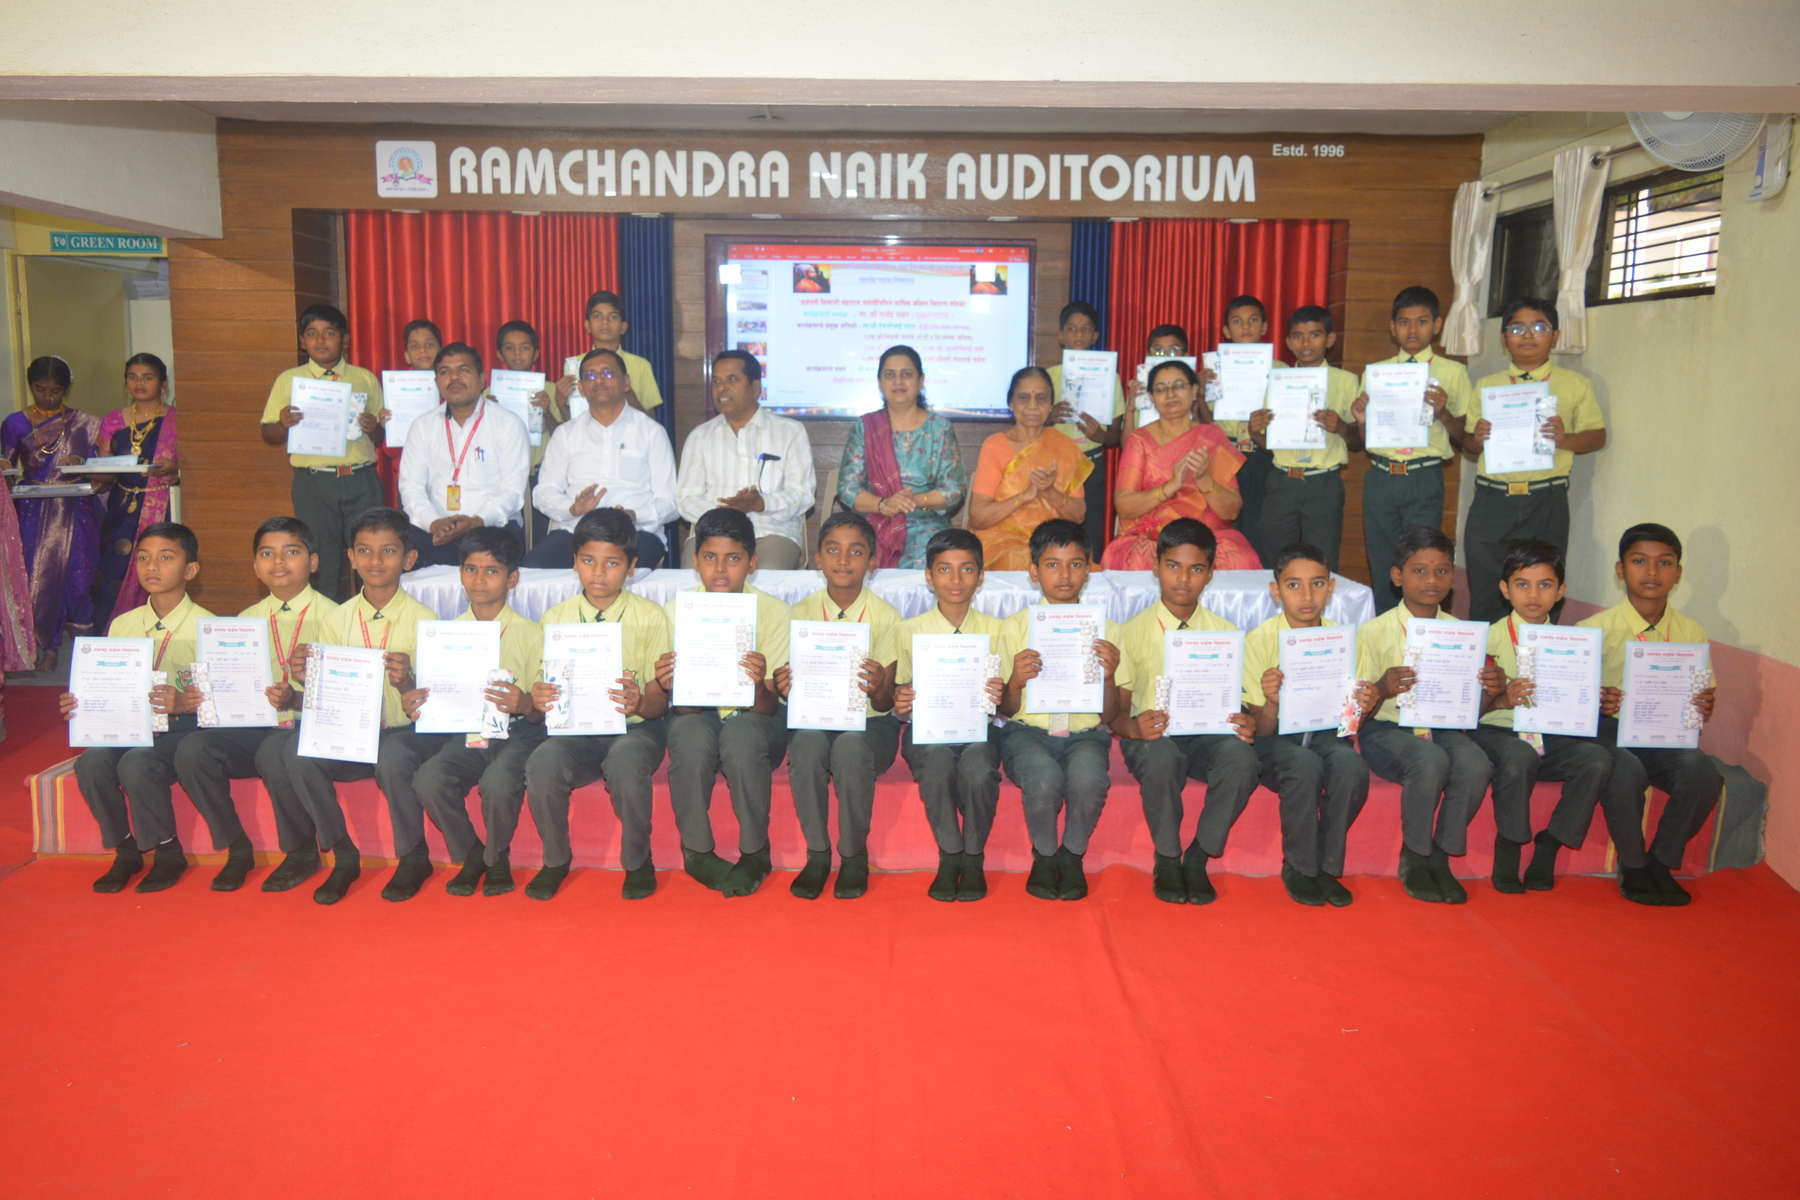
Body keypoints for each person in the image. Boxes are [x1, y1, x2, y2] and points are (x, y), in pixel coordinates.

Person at [278, 506, 436, 905]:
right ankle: (343, 853)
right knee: (297, 752)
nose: (375, 561)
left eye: (388, 551)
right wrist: (306, 678)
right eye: (364, 550)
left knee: (395, 758)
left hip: (402, 733)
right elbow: (326, 695)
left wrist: (407, 681)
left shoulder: (426, 619)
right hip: (350, 735)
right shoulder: (337, 620)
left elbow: (431, 704)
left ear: (409, 559)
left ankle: (414, 857)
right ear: (350, 557)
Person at [171, 517, 337, 893]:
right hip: (258, 727)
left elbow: (347, 696)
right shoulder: (243, 621)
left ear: (313, 562)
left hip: (310, 728)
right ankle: (237, 846)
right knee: (193, 749)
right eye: (266, 554)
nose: (278, 561)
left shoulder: (336, 618)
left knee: (274, 750)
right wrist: (204, 696)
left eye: (291, 552)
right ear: (255, 567)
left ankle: (301, 852)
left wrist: (300, 693)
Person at [524, 508, 673, 900]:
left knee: (626, 761)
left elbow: (660, 702)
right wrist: (540, 699)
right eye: (588, 561)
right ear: (574, 561)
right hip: (576, 732)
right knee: (543, 763)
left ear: (632, 567)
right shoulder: (556, 618)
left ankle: (638, 861)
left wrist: (640, 702)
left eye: (612, 563)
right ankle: (555, 860)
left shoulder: (650, 617)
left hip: (636, 729)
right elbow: (541, 700)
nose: (599, 573)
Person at [1113, 519, 1260, 905]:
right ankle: (1167, 857)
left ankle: (1199, 855)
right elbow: (1117, 714)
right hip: (1152, 737)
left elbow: (1242, 701)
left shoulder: (1225, 633)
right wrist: (1134, 728)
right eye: (1173, 566)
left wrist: (1246, 720)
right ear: (1156, 567)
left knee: (1242, 759)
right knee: (1161, 758)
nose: (1183, 578)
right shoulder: (1131, 631)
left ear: (1210, 574)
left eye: (1196, 569)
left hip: (1206, 736)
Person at [62, 522, 214, 894]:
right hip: (132, 726)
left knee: (137, 763)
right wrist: (83, 704)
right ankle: (126, 850)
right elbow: (107, 684)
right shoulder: (123, 624)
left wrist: (185, 703)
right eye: (143, 558)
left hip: (184, 730)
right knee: (91, 763)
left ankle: (168, 851)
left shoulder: (207, 626)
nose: (152, 567)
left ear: (190, 570)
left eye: (166, 558)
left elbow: (216, 706)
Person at [1578, 524, 1723, 907]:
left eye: (1665, 563)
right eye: (1640, 561)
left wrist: (1702, 704)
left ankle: (1660, 861)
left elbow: (1702, 691)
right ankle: (1633, 863)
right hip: (1608, 732)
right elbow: (1571, 699)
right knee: (1626, 770)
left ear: (1678, 573)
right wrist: (1596, 700)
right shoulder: (1593, 629)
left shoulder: (1691, 633)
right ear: (1620, 570)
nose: (1652, 572)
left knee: (1703, 774)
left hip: (1664, 735)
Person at [400, 526, 546, 898]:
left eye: (492, 571)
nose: (479, 580)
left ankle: (497, 858)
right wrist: (417, 701)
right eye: (470, 569)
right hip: (467, 733)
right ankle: (473, 854)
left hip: (519, 733)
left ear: (512, 578)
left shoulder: (533, 634)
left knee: (497, 783)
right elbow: (432, 701)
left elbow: (543, 713)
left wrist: (525, 703)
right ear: (460, 573)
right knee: (429, 779)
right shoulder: (444, 636)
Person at [654, 507, 791, 897]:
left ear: (752, 563)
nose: (720, 569)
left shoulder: (775, 612)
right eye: (710, 557)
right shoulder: (678, 611)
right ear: (695, 561)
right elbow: (682, 709)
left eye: (733, 558)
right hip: (698, 713)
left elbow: (769, 707)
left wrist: (757, 684)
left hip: (756, 718)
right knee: (689, 735)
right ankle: (697, 850)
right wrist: (672, 686)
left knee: (742, 736)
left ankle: (755, 851)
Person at [1356, 527, 1494, 904]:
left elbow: (1471, 711)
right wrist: (1382, 688)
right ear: (1397, 576)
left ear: (1452, 576)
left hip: (1442, 727)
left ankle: (1440, 856)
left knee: (1476, 764)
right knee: (1429, 759)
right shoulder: (1372, 632)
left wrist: (1489, 690)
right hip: (1385, 729)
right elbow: (1354, 711)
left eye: (1442, 570)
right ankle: (1415, 857)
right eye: (1419, 570)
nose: (1431, 580)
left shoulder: (1462, 634)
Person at [1471, 540, 1615, 894]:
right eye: (1522, 584)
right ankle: (1509, 846)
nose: (1533, 594)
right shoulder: (1484, 639)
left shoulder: (1574, 643)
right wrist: (1502, 699)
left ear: (1561, 591)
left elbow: (1578, 701)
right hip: (1495, 733)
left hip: (1549, 735)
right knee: (1518, 756)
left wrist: (1591, 699)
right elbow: (1465, 710)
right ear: (1505, 589)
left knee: (1596, 760)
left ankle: (1550, 843)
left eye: (1545, 584)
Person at [997, 519, 1129, 901]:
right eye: (1052, 564)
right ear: (1033, 571)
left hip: (1085, 734)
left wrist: (1108, 677)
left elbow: (1109, 716)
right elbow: (1004, 708)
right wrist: (1015, 682)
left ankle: (1071, 856)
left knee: (1089, 780)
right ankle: (1044, 856)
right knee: (1043, 778)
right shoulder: (1014, 628)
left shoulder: (1108, 631)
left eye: (1075, 564)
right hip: (1027, 733)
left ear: (1088, 570)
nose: (1065, 575)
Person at [774, 513, 901, 900]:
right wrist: (785, 688)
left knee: (849, 748)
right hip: (815, 719)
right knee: (806, 745)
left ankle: (853, 854)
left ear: (872, 562)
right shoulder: (800, 614)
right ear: (818, 559)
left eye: (856, 552)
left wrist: (878, 688)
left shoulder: (887, 618)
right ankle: (817, 853)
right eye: (833, 550)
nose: (843, 560)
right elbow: (789, 686)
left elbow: (887, 701)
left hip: (872, 725)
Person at [1242, 542, 1375, 906]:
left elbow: (1349, 726)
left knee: (1350, 767)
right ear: (1276, 591)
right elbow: (1260, 730)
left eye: (1317, 584)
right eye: (1293, 585)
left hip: (1328, 734)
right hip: (1276, 740)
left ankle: (1327, 866)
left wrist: (1363, 707)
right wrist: (1272, 701)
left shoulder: (1345, 641)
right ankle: (1299, 867)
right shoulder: (1259, 642)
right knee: (1303, 764)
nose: (1306, 595)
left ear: (1330, 588)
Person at [1462, 297, 1607, 624]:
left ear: (1555, 336)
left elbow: (1598, 436)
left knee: (1540, 592)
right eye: (1517, 329)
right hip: (1492, 502)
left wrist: (1565, 439)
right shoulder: (1488, 386)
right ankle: (1490, 657)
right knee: (1487, 590)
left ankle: (1538, 656)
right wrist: (1477, 438)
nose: (1527, 336)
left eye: (1539, 328)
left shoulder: (1575, 384)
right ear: (1504, 338)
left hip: (1546, 501)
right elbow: (1469, 445)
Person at [892, 528, 1005, 902]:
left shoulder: (998, 631)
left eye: (967, 569)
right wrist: (899, 699)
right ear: (929, 576)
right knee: (937, 764)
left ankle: (973, 856)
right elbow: (895, 698)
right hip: (927, 732)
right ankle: (950, 853)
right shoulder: (908, 631)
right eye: (944, 569)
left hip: (980, 731)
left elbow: (1009, 701)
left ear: (981, 576)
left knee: (978, 769)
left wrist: (1003, 694)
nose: (956, 579)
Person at [1352, 287, 1473, 612]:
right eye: (1404, 322)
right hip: (1381, 477)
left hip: (1423, 478)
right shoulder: (1376, 373)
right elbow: (1365, 440)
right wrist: (1362, 421)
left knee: (1422, 562)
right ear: (1393, 327)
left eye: (1422, 321)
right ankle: (1386, 631)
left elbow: (1465, 437)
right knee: (1383, 561)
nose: (1413, 330)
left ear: (1437, 325)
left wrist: (1443, 412)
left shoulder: (1453, 372)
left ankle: (1420, 630)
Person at [258, 304, 386, 600]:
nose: (321, 340)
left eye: (329, 333)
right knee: (321, 565)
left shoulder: (364, 378)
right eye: (312, 334)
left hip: (361, 480)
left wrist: (372, 427)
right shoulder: (289, 380)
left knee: (371, 562)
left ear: (345, 339)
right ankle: (326, 627)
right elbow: (268, 433)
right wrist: (283, 423)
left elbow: (381, 436)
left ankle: (371, 624)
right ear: (302, 341)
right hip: (314, 483)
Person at [528, 348, 678, 569]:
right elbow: (543, 492)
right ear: (581, 387)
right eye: (590, 375)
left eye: (608, 373)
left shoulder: (652, 432)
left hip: (636, 532)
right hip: (576, 530)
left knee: (618, 574)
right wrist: (572, 508)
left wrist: (634, 515)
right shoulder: (566, 433)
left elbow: (670, 501)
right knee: (532, 569)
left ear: (626, 382)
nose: (599, 380)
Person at [1103, 360, 1256, 571]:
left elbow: (1231, 511)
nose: (1170, 394)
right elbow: (1124, 506)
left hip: (1205, 534)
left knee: (1239, 559)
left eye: (1178, 386)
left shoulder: (1212, 438)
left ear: (1194, 391)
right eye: (1161, 389)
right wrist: (1171, 486)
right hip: (1154, 536)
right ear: (1151, 397)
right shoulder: (1139, 440)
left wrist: (1203, 479)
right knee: (1139, 559)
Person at [3, 355, 102, 672]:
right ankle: (47, 646)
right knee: (37, 579)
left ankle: (88, 650)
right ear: (30, 386)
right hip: (32, 509)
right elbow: (6, 462)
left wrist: (81, 462)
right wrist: (5, 467)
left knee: (79, 577)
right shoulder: (15, 423)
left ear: (66, 389)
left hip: (75, 508)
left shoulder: (84, 422)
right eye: (40, 389)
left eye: (55, 390)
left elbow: (102, 467)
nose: (47, 397)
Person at [676, 350, 815, 570]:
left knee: (767, 581)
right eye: (716, 381)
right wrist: (723, 516)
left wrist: (762, 503)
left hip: (771, 533)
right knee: (694, 579)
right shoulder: (700, 436)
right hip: (713, 534)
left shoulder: (790, 432)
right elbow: (686, 498)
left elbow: (803, 494)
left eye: (732, 379)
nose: (721, 388)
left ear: (756, 388)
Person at [1244, 307, 1359, 573]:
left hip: (1323, 483)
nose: (1306, 343)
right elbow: (1271, 446)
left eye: (1315, 335)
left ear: (1330, 339)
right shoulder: (1276, 381)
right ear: (1288, 342)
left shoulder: (1346, 381)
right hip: (1282, 482)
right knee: (1274, 561)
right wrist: (1255, 432)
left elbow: (1358, 442)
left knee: (1322, 561)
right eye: (1298, 336)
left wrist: (1341, 427)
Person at [396, 342, 530, 568]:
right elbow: (410, 486)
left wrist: (476, 521)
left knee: (486, 567)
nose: (454, 378)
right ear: (436, 382)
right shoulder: (422, 426)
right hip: (436, 530)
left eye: (463, 370)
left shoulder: (508, 424)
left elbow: (512, 491)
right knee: (404, 558)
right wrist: (433, 522)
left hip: (492, 528)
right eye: (445, 372)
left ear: (482, 379)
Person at [837, 345, 967, 569]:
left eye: (906, 374)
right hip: (875, 519)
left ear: (920, 380)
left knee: (926, 561)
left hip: (927, 522)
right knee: (854, 558)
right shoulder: (866, 427)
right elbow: (847, 488)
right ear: (879, 382)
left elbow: (954, 489)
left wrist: (914, 500)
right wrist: (883, 504)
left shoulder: (940, 428)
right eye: (890, 375)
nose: (898, 381)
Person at [968, 366, 1090, 570]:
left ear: (1050, 406)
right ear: (1011, 403)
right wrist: (1024, 496)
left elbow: (1078, 516)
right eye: (1024, 398)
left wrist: (1049, 491)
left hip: (1053, 540)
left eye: (1041, 398)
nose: (1032, 405)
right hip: (1002, 541)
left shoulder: (1065, 447)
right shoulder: (994, 446)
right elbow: (978, 517)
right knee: (1020, 557)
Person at [92, 354, 180, 626]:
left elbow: (196, 466)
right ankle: (113, 633)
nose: (139, 383)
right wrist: (80, 469)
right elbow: (104, 469)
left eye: (148, 377)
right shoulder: (112, 420)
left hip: (163, 507)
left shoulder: (177, 420)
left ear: (163, 384)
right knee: (113, 571)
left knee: (161, 569)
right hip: (121, 508)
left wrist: (176, 468)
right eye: (132, 377)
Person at [1044, 302, 1124, 555]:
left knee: (1089, 536)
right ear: (1061, 336)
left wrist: (1102, 435)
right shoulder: (1048, 377)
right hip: (1055, 466)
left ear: (1095, 336)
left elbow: (1117, 436)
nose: (1079, 334)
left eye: (1086, 329)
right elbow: (1031, 423)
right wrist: (1049, 417)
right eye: (1072, 328)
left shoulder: (1111, 377)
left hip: (1092, 464)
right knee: (1052, 535)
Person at [1211, 295, 1276, 566]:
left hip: (1263, 455)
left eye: (1253, 320)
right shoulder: (1213, 370)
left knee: (1260, 528)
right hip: (1225, 453)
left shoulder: (1281, 370)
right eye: (1237, 322)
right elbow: (1206, 422)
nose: (1246, 327)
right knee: (1226, 528)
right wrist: (1203, 391)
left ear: (1264, 327)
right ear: (1227, 330)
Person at [492, 320, 562, 546]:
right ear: (500, 354)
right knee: (508, 539)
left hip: (540, 475)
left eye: (525, 347)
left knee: (540, 539)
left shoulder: (551, 390)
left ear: (536, 353)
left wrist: (547, 413)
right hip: (503, 477)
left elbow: (564, 438)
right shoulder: (488, 393)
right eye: (509, 348)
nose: (517, 353)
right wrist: (488, 412)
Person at [551, 289, 664, 416]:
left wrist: (626, 391)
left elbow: (650, 420)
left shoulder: (641, 365)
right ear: (587, 325)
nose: (605, 321)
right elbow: (573, 421)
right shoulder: (574, 365)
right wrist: (561, 404)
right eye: (597, 316)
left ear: (623, 327)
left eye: (613, 317)